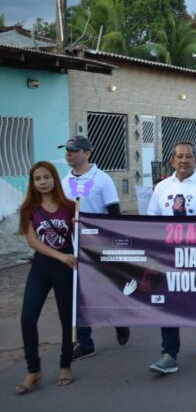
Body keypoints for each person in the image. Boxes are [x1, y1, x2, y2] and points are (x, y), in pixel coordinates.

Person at [147, 141, 196, 375]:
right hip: (167, 254)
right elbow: (152, 219)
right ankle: (169, 353)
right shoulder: (161, 187)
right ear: (172, 160)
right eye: (179, 156)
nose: (184, 160)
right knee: (166, 302)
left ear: (195, 160)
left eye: (188, 156)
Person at [59, 135, 129, 359]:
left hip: (98, 245)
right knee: (79, 294)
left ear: (87, 153)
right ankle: (85, 341)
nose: (69, 153)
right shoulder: (63, 180)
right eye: (67, 150)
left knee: (106, 289)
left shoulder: (103, 179)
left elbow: (114, 213)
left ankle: (120, 319)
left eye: (73, 150)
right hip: (73, 247)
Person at [16, 161, 77, 394]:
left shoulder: (70, 206)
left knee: (66, 319)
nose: (42, 182)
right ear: (32, 183)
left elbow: (81, 235)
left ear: (54, 179)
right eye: (37, 178)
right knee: (28, 317)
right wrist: (60, 257)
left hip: (66, 269)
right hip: (42, 267)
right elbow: (32, 242)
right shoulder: (29, 209)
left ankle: (65, 365)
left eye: (46, 177)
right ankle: (33, 370)